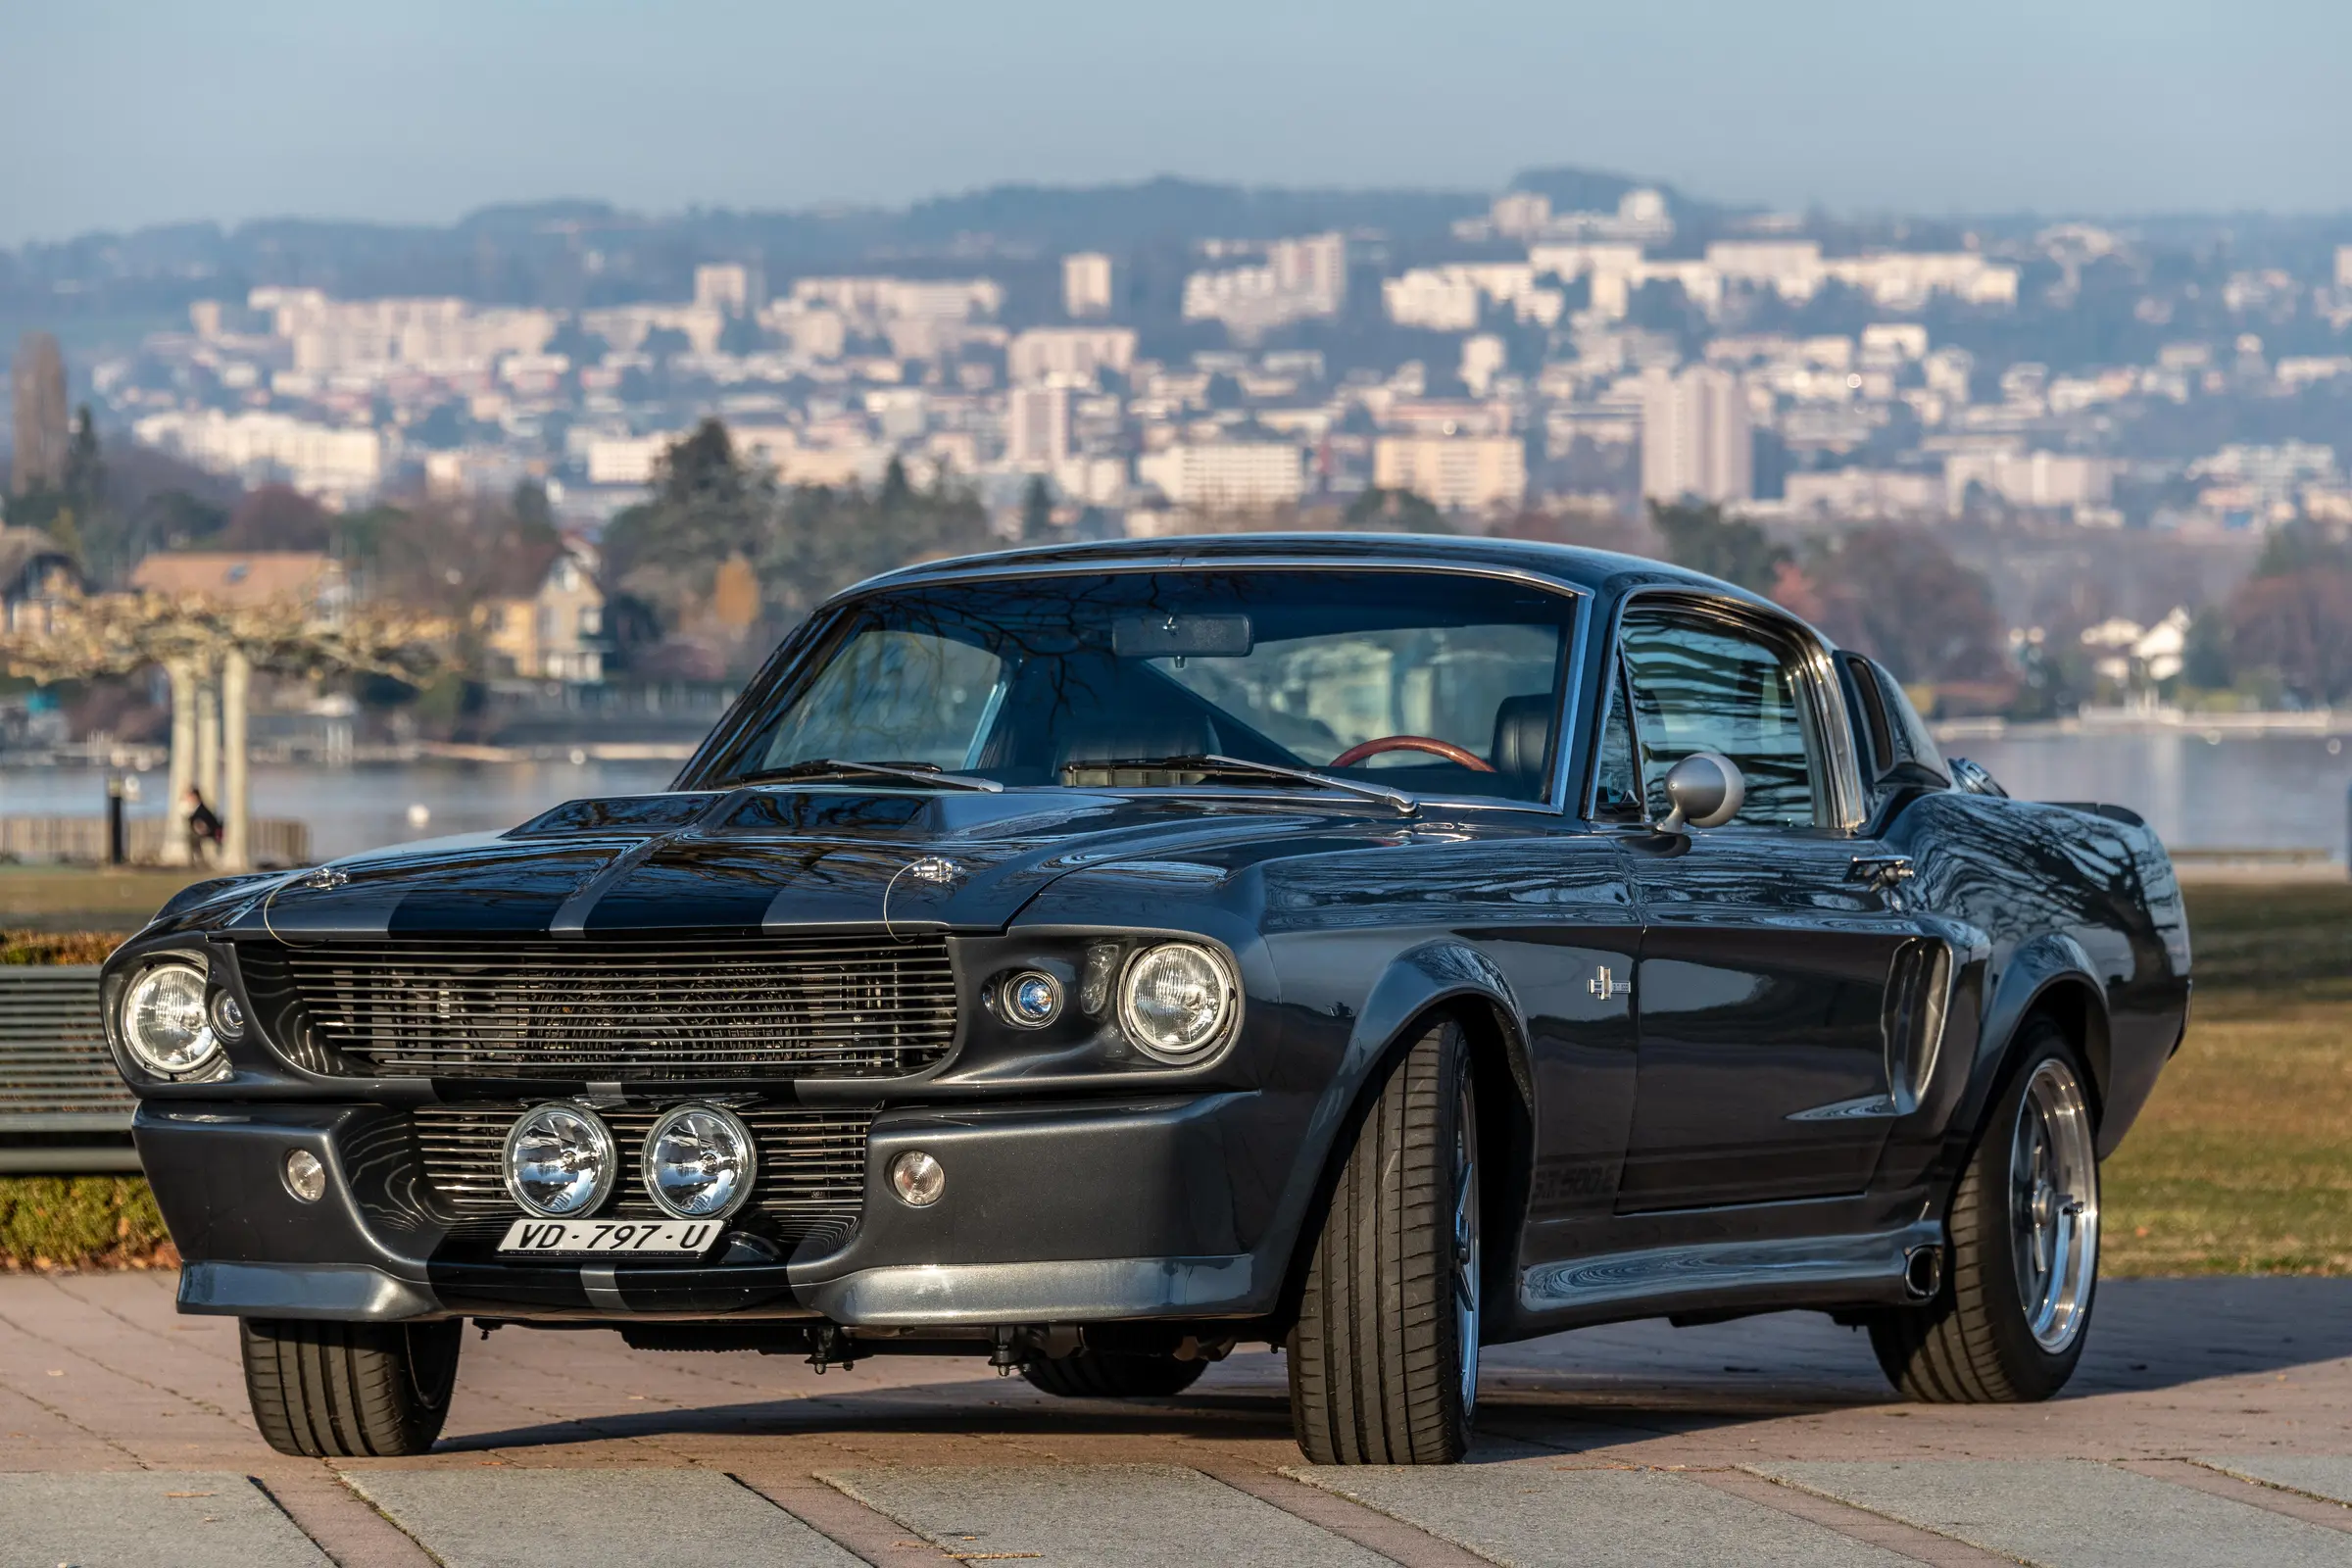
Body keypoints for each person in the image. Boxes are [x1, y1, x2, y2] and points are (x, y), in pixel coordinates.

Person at [185, 786, 223, 865]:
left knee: (193, 838)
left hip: (211, 833)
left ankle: (198, 860)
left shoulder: (201, 809)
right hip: (203, 832)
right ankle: (196, 859)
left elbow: (204, 825)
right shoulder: (193, 808)